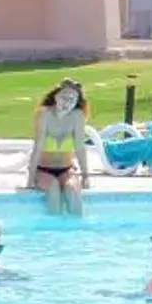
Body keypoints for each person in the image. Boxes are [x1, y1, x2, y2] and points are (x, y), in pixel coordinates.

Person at [30, 80, 91, 214]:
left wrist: (86, 176)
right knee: (53, 189)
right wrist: (30, 176)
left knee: (72, 190)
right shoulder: (44, 114)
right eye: (64, 97)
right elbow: (38, 147)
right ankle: (54, 231)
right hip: (43, 170)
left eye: (72, 99)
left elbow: (80, 148)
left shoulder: (77, 116)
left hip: (66, 169)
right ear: (55, 96)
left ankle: (77, 231)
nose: (67, 102)